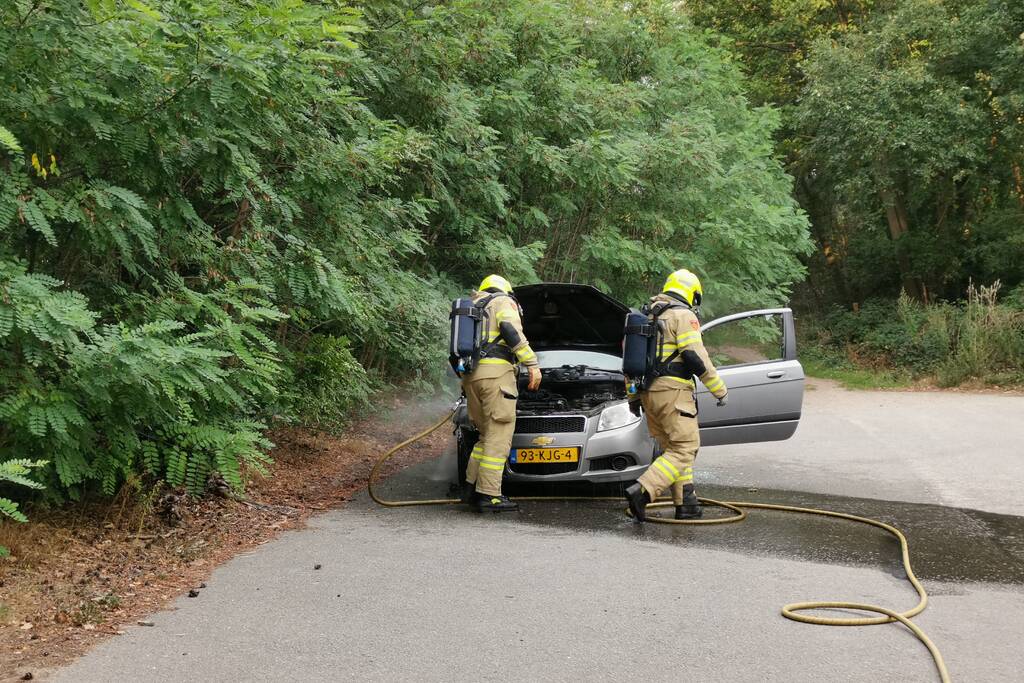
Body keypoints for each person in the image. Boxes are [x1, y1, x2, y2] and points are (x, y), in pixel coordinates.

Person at [624, 269, 728, 522]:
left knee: (672, 449)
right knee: (685, 448)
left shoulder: (646, 315)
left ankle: (686, 503)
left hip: (648, 394)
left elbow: (629, 362)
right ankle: (643, 490)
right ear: (692, 294)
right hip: (673, 393)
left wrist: (633, 398)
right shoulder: (683, 315)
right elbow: (694, 355)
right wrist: (718, 389)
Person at [461, 274, 542, 512]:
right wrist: (532, 363)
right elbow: (509, 328)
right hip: (497, 377)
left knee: (485, 436)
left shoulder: (474, 307)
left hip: (472, 378)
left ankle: (470, 488)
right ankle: (489, 495)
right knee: (498, 436)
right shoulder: (502, 302)